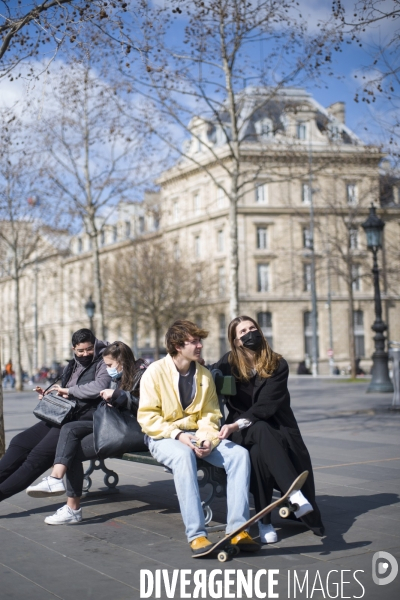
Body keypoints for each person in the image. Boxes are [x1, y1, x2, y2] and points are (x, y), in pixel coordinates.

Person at [137, 320, 259, 555]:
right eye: (193, 341)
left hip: (198, 436)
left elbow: (210, 415)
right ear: (177, 345)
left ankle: (237, 530)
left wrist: (207, 441)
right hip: (162, 436)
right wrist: (179, 435)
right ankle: (197, 535)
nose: (200, 345)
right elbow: (148, 417)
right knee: (183, 456)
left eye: (199, 340)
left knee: (240, 455)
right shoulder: (155, 372)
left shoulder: (203, 375)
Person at [209, 315, 325, 544]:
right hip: (240, 429)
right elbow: (205, 374)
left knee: (258, 453)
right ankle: (293, 495)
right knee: (259, 430)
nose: (249, 333)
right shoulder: (228, 362)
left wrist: (236, 423)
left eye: (253, 328)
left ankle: (264, 522)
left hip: (277, 426)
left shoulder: (277, 363)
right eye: (243, 332)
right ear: (236, 341)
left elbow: (266, 406)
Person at [27, 341, 148, 525]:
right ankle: (56, 479)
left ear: (122, 361)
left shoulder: (143, 375)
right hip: (113, 426)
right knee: (69, 429)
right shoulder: (118, 376)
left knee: (72, 451)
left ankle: (72, 508)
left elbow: (146, 407)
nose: (108, 370)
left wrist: (117, 396)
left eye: (109, 365)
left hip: (132, 431)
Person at [0, 329, 110, 503]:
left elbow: (99, 387)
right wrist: (50, 394)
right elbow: (63, 390)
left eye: (89, 349)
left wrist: (68, 391)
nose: (85, 354)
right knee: (19, 441)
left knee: (38, 456)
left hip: (83, 418)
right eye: (80, 351)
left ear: (95, 344)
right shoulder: (71, 365)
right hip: (63, 414)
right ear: (74, 349)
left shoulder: (103, 361)